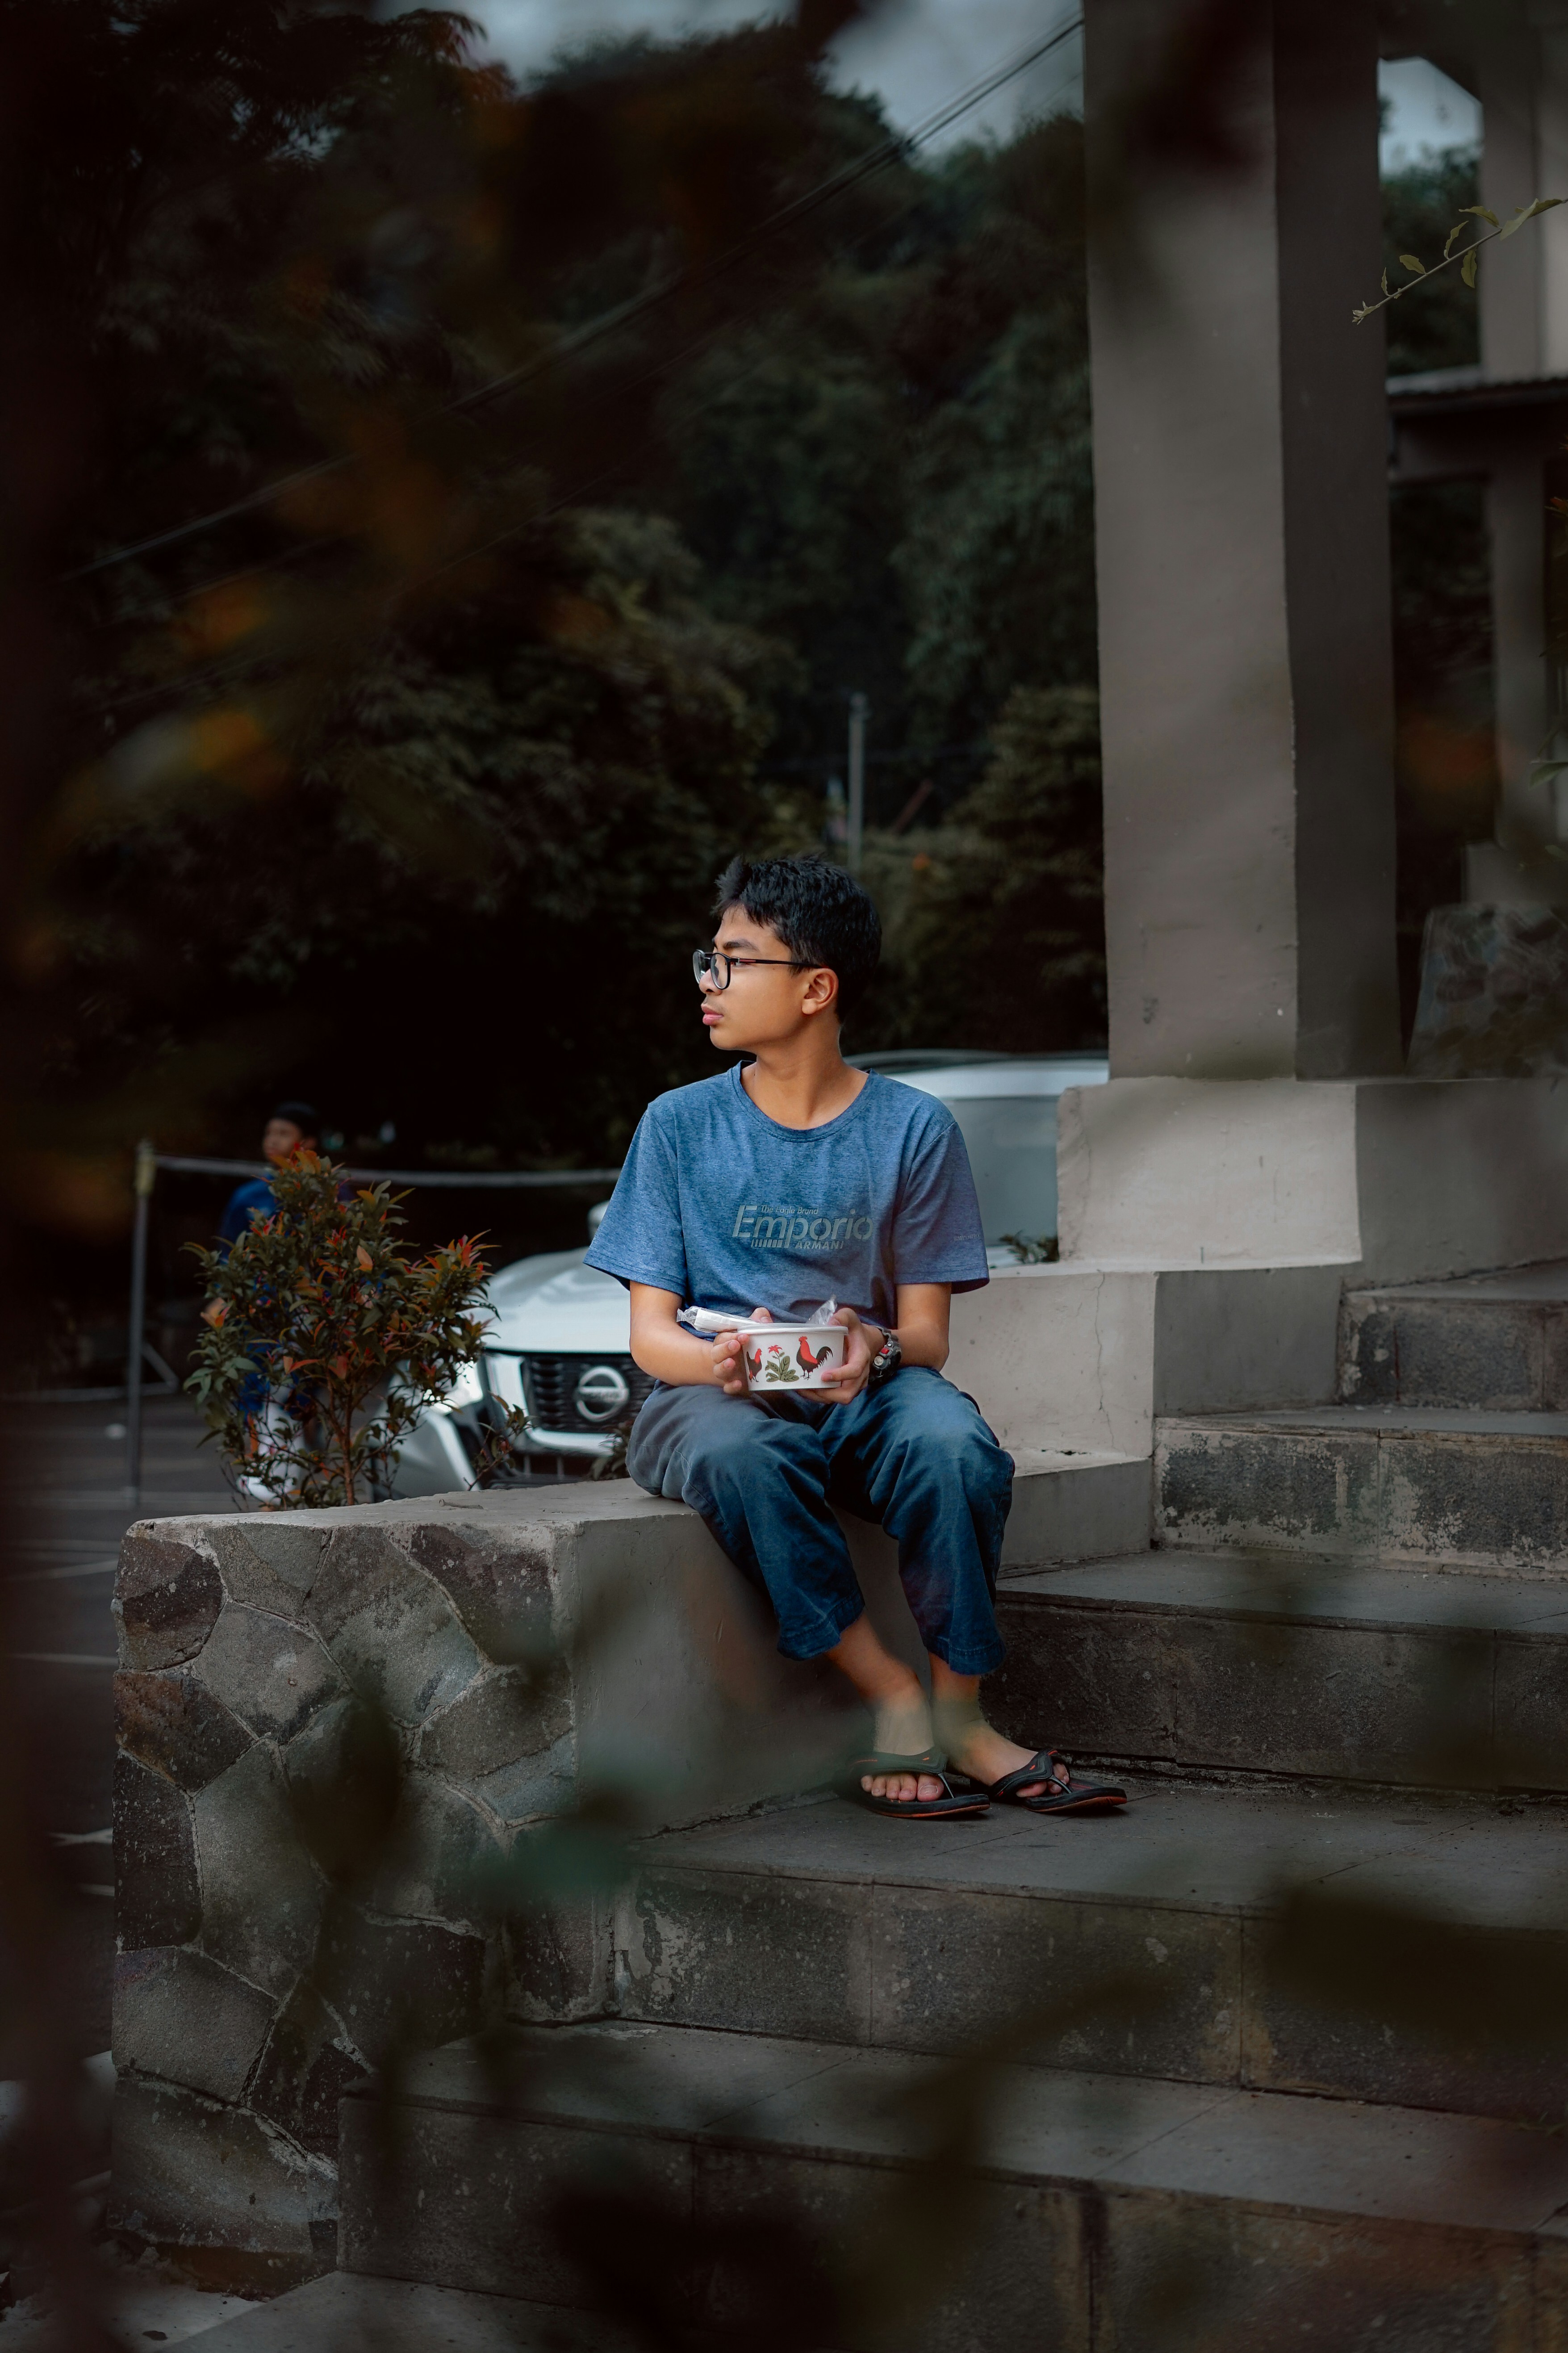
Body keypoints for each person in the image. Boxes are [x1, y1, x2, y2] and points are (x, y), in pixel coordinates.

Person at [584, 852, 1125, 1820]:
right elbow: (650, 1341)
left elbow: (926, 1337)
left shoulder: (912, 1130)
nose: (708, 984)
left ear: (815, 988)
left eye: (733, 962)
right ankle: (890, 1692)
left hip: (865, 1391)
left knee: (951, 1445)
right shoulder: (676, 1127)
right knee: (745, 1454)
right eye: (707, 960)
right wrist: (727, 1361)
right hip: (705, 1397)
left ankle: (962, 1715)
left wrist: (866, 1348)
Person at [217, 1101, 322, 1248]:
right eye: (269, 1133)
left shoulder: (327, 1196)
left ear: (308, 1142)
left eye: (283, 1134)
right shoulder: (247, 1196)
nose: (272, 1141)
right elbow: (229, 1251)